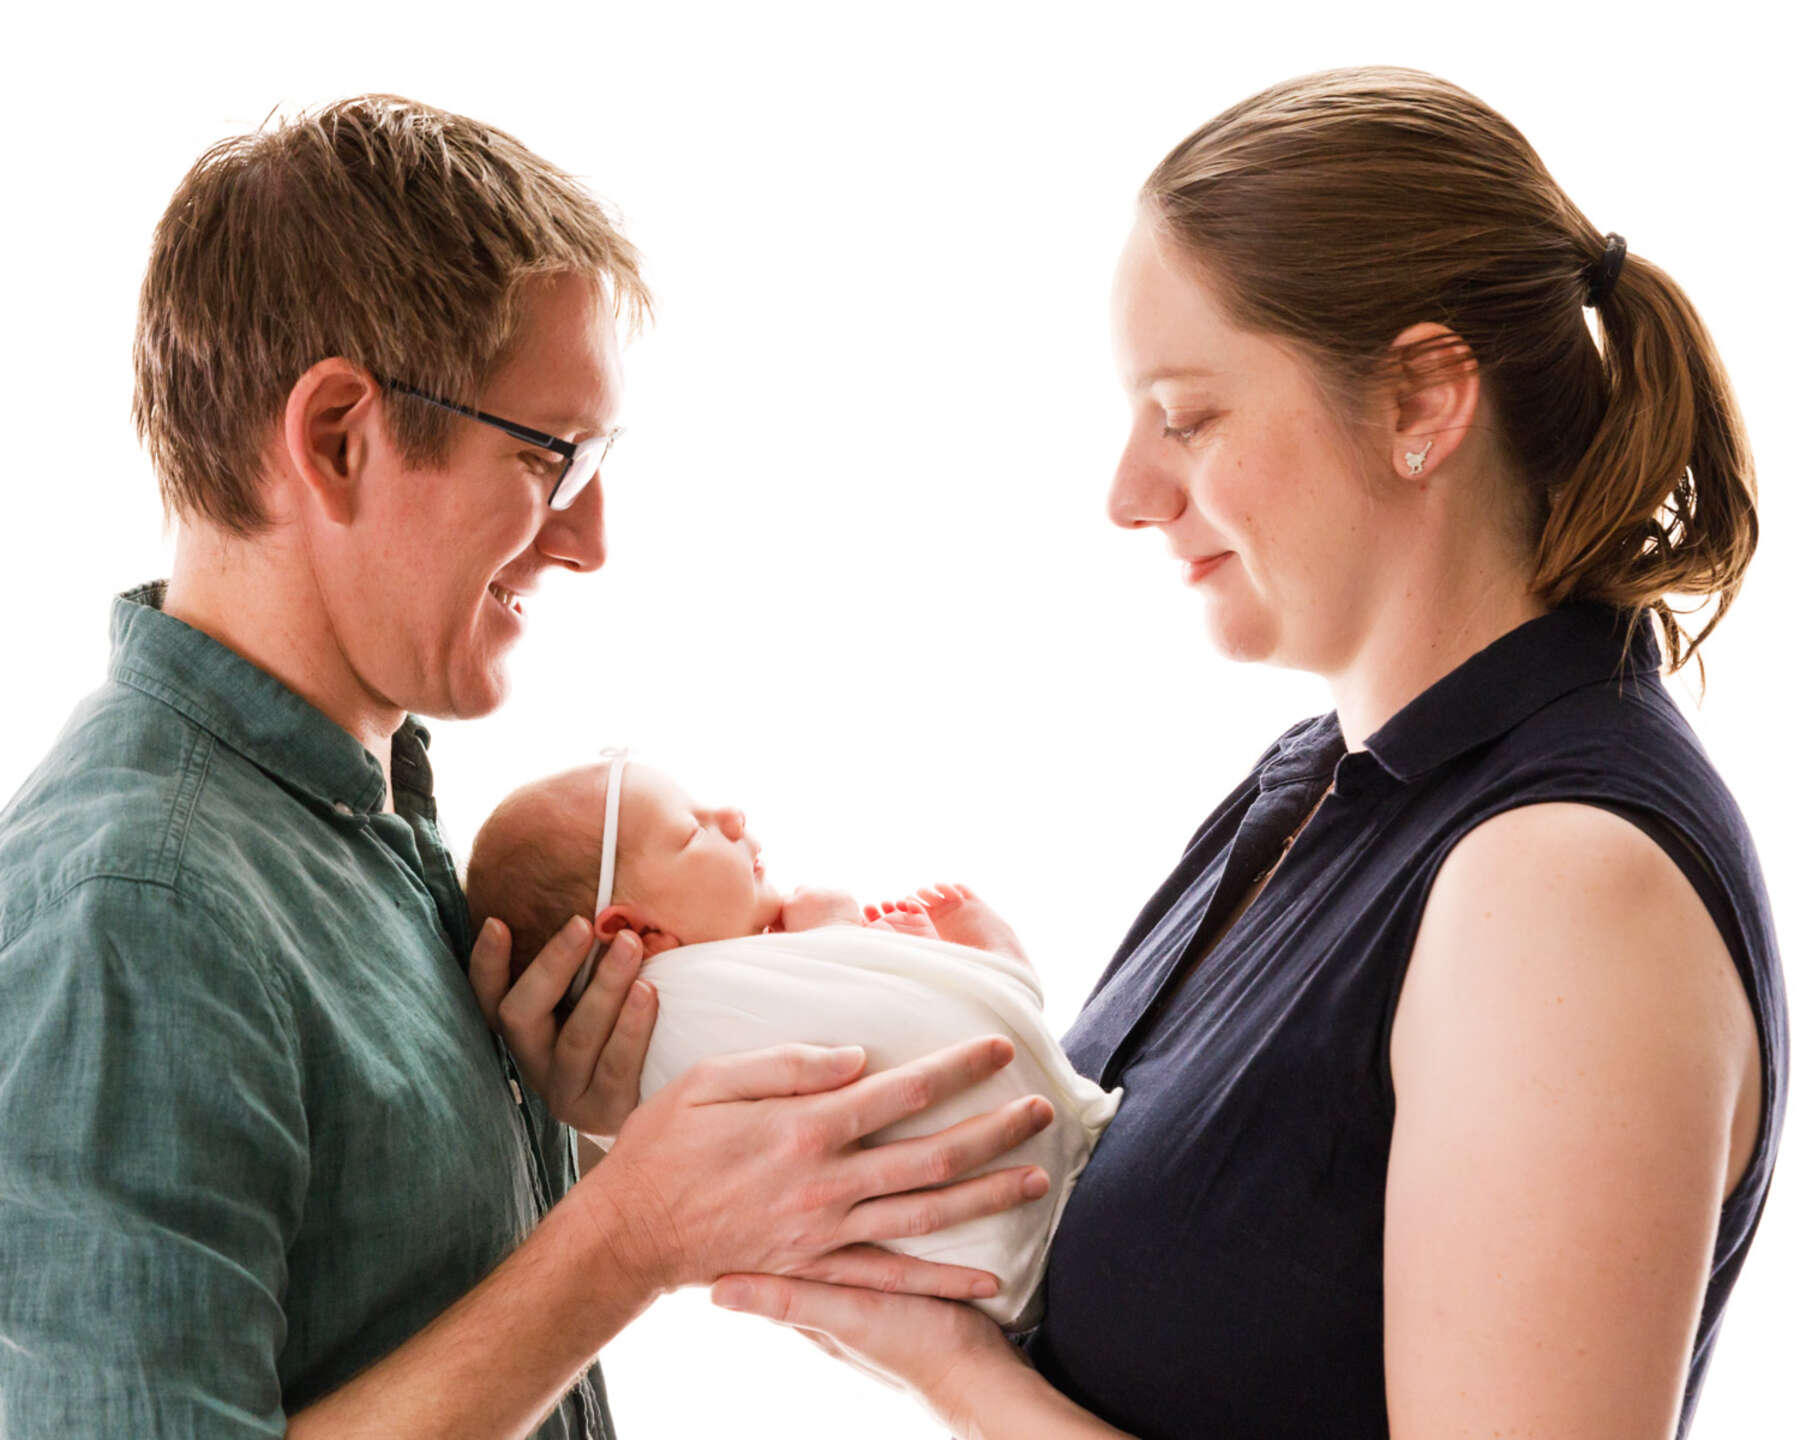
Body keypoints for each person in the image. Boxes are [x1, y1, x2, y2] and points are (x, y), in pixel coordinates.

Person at [699, 65, 1789, 1440]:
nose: (1128, 494)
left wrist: (952, 1373)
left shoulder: (1563, 881)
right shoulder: (1321, 784)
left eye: (1189, 416)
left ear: (1422, 403)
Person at [0, 95, 1056, 1439]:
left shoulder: (369, 833)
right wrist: (621, 1242)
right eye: (548, 457)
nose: (591, 536)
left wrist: (598, 1135)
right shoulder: (138, 908)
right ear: (337, 439)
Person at [462, 752, 1122, 1329]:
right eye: (693, 831)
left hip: (1003, 1264)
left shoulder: (636, 1070)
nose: (732, 816)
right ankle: (1004, 974)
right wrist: (841, 934)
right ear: (636, 930)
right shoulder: (681, 1000)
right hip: (1038, 1196)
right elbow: (865, 1034)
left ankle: (999, 978)